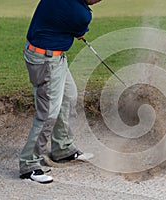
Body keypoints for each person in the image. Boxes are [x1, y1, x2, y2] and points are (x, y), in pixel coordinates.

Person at [19, 0, 102, 184]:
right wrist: (78, 32)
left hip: (56, 58)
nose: (98, 1)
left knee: (68, 97)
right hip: (45, 60)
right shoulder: (82, 15)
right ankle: (29, 165)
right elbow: (78, 29)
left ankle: (63, 149)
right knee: (48, 113)